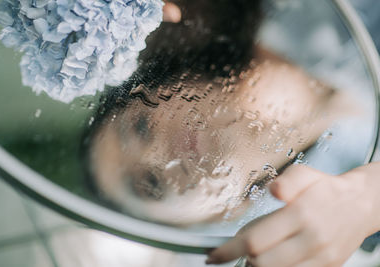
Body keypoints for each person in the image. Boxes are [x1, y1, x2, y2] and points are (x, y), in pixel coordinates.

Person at [83, 1, 378, 266]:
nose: (154, 154)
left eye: (141, 126)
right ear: (226, 211)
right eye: (151, 183)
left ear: (164, 85)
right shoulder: (360, 166)